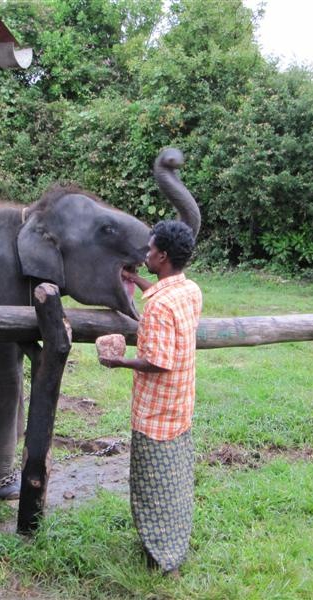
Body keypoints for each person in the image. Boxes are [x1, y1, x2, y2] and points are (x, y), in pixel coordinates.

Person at [99, 220, 202, 576]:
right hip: (181, 404)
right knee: (175, 481)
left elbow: (158, 362)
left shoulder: (158, 308)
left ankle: (162, 558)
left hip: (156, 411)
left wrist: (118, 360)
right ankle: (174, 543)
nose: (146, 254)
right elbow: (164, 300)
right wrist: (139, 281)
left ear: (163, 256)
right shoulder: (189, 291)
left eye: (151, 249)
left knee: (151, 485)